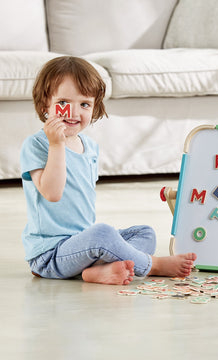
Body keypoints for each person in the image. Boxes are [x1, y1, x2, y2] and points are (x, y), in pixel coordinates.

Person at [20, 56, 196, 285]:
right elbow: (53, 193)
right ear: (46, 105)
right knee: (101, 234)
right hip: (50, 253)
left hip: (82, 244)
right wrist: (57, 144)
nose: (74, 112)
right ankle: (153, 265)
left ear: (94, 108)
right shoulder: (37, 145)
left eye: (84, 104)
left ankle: (95, 271)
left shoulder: (90, 147)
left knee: (144, 233)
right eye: (64, 102)